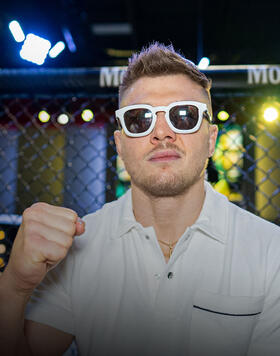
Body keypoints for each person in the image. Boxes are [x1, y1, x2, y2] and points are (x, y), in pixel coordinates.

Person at [1, 42, 280, 356]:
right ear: (120, 144)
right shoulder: (77, 248)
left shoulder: (271, 252)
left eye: (184, 116)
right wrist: (14, 285)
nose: (162, 133)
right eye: (139, 119)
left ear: (211, 139)